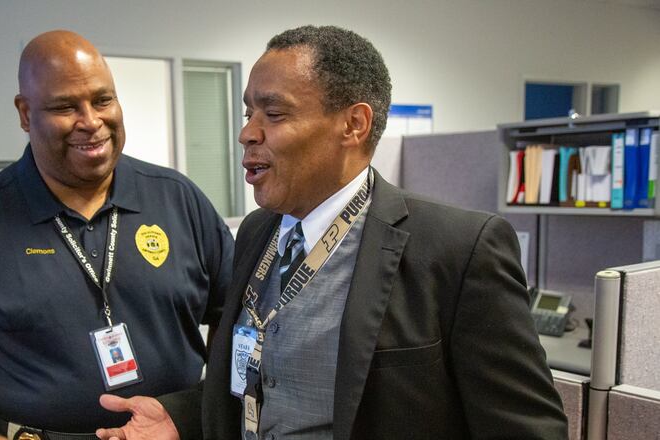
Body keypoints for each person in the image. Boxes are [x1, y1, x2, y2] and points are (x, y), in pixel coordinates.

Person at [98, 25, 568, 440]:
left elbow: (526, 429)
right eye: (248, 115)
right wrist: (179, 416)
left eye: (274, 115)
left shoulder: (457, 249)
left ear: (353, 124)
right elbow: (260, 377)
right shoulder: (258, 234)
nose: (247, 134)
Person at [0, 30, 233, 440]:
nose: (91, 122)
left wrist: (208, 408)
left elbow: (232, 316)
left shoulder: (179, 199)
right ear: (24, 113)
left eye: (102, 100)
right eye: (65, 107)